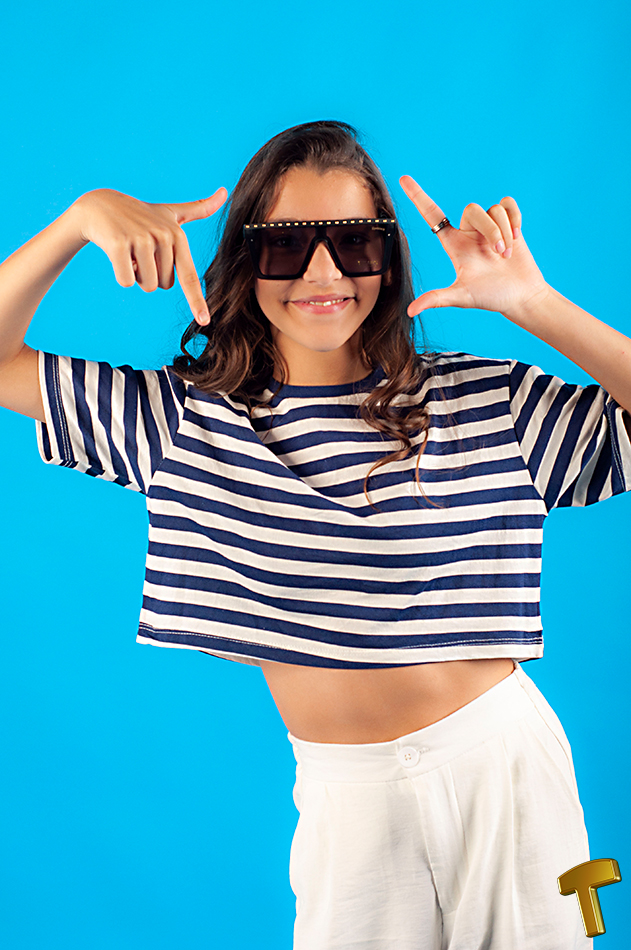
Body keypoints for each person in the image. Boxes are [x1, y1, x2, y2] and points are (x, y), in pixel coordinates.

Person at [0, 120, 629, 950]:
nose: (323, 272)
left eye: (354, 242)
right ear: (245, 260)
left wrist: (531, 303)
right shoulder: (181, 423)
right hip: (348, 799)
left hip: (505, 776)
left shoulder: (489, 404)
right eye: (286, 245)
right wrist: (77, 220)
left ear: (389, 260)